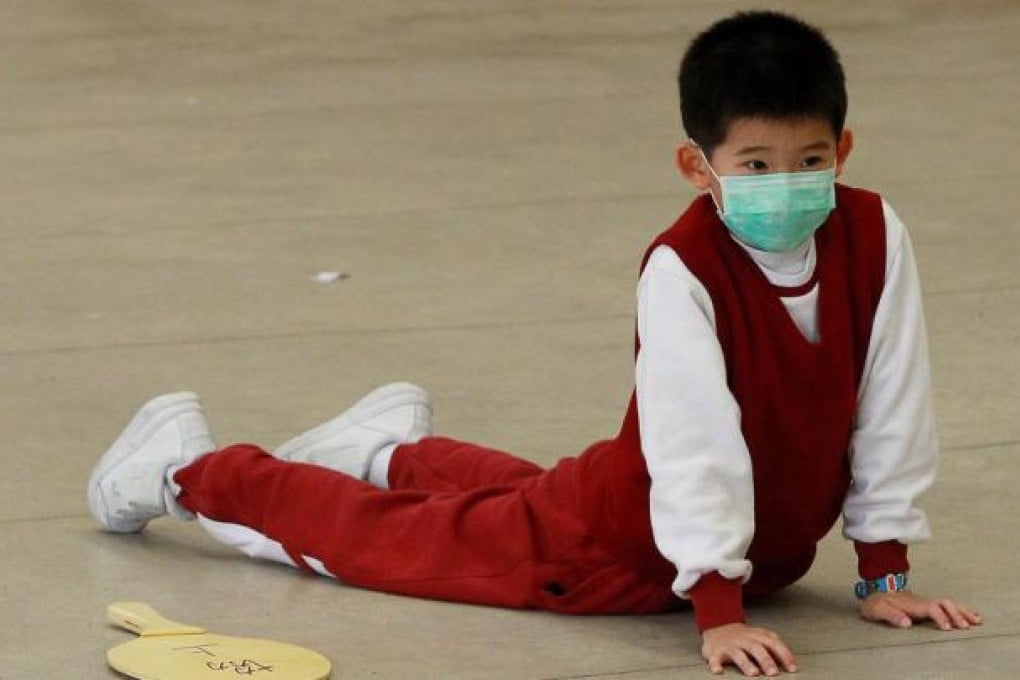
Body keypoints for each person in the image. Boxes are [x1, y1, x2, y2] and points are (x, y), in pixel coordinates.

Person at [86, 10, 982, 677]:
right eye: (754, 165)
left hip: (698, 531)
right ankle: (187, 470)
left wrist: (882, 572)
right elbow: (695, 446)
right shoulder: (682, 269)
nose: (785, 184)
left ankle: (387, 448)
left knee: (529, 497)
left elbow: (895, 402)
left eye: (810, 159)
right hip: (617, 554)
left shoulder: (875, 232)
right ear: (696, 166)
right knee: (386, 542)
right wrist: (714, 604)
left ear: (845, 147)